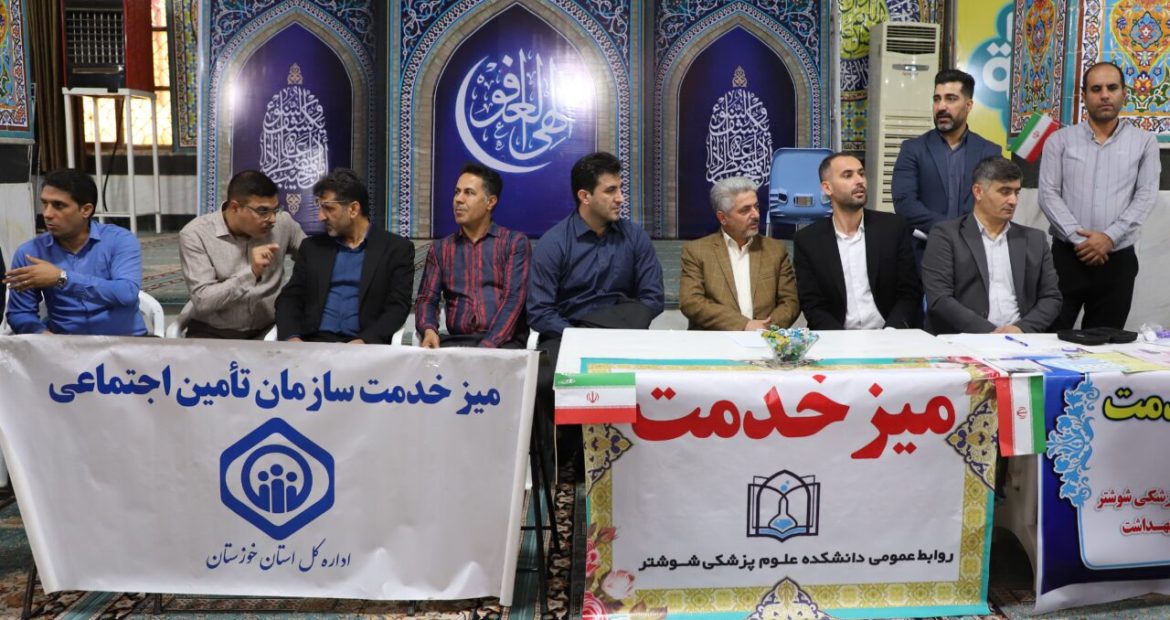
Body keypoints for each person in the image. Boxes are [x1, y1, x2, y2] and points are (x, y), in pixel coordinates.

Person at [528, 151, 664, 472]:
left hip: (624, 335)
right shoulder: (554, 243)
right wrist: (580, 337)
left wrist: (607, 332)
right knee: (545, 380)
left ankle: (641, 464)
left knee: (657, 382)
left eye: (620, 189)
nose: (620, 198)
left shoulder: (634, 237)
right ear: (584, 196)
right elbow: (539, 311)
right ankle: (564, 464)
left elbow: (652, 298)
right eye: (610, 190)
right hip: (567, 336)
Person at [1038, 61, 1161, 330]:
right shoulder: (1059, 141)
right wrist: (1080, 240)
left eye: (1112, 88)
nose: (1104, 95)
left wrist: (1109, 237)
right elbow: (1048, 194)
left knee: (1104, 343)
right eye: (1096, 89)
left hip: (1117, 259)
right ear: (1084, 96)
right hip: (1066, 258)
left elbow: (1146, 195)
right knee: (1048, 337)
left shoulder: (1145, 142)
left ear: (1124, 93)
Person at [921, 157, 1061, 334]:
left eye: (1016, 192)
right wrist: (989, 333)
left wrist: (1021, 329)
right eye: (1005, 191)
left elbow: (1051, 298)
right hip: (964, 338)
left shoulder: (1035, 239)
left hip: (1020, 338)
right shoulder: (946, 235)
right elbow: (939, 298)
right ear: (978, 191)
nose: (1013, 201)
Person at [275, 168, 414, 344]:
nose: (320, 217)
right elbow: (289, 299)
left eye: (328, 208)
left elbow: (397, 308)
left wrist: (365, 340)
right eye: (320, 207)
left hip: (365, 347)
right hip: (313, 343)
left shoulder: (396, 250)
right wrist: (291, 337)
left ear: (353, 209)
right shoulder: (312, 248)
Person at [3, 168, 146, 335]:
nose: (47, 214)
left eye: (58, 205)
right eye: (44, 203)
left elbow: (126, 293)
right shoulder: (30, 253)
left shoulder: (119, 240)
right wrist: (42, 334)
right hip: (64, 345)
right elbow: (20, 313)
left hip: (126, 342)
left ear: (86, 210)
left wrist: (62, 279)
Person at [793, 154, 921, 330]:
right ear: (827, 188)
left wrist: (891, 333)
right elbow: (812, 305)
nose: (859, 180)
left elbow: (909, 292)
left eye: (861, 173)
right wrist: (840, 340)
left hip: (889, 333)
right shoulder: (808, 240)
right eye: (848, 175)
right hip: (836, 337)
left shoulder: (893, 228)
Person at [178, 170, 305, 339]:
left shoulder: (283, 223)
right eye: (262, 211)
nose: (272, 219)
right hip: (213, 332)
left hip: (269, 329)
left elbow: (312, 257)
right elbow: (203, 301)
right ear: (235, 207)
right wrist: (251, 273)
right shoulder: (196, 235)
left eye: (275, 210)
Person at [892, 69, 1003, 261]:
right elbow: (904, 203)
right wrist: (953, 231)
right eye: (937, 99)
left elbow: (993, 202)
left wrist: (967, 233)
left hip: (975, 254)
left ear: (968, 105)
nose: (941, 106)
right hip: (924, 254)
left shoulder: (989, 152)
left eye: (951, 99)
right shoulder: (913, 149)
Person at [415, 162, 529, 348]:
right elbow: (426, 299)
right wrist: (428, 330)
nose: (458, 200)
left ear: (490, 202)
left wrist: (487, 346)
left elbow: (513, 301)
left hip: (503, 343)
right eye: (457, 192)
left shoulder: (513, 243)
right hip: (457, 342)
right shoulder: (441, 249)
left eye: (468, 193)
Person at [678, 176, 799, 330]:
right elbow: (691, 302)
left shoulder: (775, 250)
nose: (756, 215)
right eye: (745, 210)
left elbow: (790, 302)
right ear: (723, 218)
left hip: (765, 339)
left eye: (756, 207)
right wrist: (744, 325)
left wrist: (766, 328)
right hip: (716, 339)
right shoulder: (697, 251)